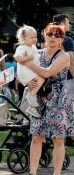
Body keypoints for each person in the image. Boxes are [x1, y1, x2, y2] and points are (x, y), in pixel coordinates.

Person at [23, 23, 73, 175]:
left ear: (61, 40)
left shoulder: (64, 56)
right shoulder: (37, 53)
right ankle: (33, 173)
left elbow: (47, 73)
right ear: (44, 35)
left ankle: (56, 173)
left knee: (57, 139)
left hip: (59, 100)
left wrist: (29, 64)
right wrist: (27, 81)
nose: (52, 37)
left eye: (57, 35)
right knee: (36, 137)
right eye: (50, 34)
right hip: (40, 99)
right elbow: (24, 74)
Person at [13, 25, 45, 118]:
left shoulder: (33, 47)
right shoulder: (22, 48)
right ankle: (31, 96)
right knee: (41, 78)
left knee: (34, 86)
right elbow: (17, 58)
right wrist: (28, 57)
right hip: (26, 71)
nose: (34, 39)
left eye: (35, 37)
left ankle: (31, 108)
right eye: (31, 37)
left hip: (31, 71)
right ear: (23, 38)